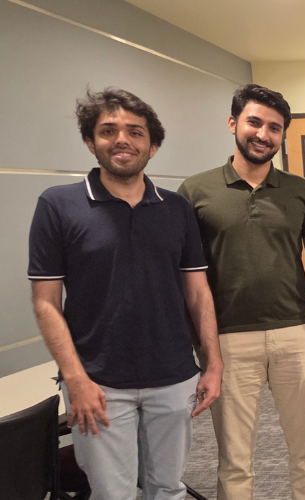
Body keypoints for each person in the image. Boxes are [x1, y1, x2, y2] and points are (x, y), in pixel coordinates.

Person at [28, 88, 222, 500]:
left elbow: (198, 292)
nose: (122, 140)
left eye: (135, 132)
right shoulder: (59, 205)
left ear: (152, 146)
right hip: (99, 382)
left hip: (173, 376)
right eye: (108, 130)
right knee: (112, 494)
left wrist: (213, 362)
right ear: (89, 141)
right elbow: (45, 302)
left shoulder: (176, 208)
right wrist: (76, 379)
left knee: (167, 489)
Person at [177, 84, 305, 500]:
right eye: (254, 122)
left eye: (275, 128)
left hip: (297, 332)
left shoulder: (300, 191)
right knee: (234, 459)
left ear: (282, 136)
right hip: (226, 340)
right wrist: (202, 344)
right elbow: (186, 277)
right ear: (233, 123)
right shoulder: (195, 192)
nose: (263, 134)